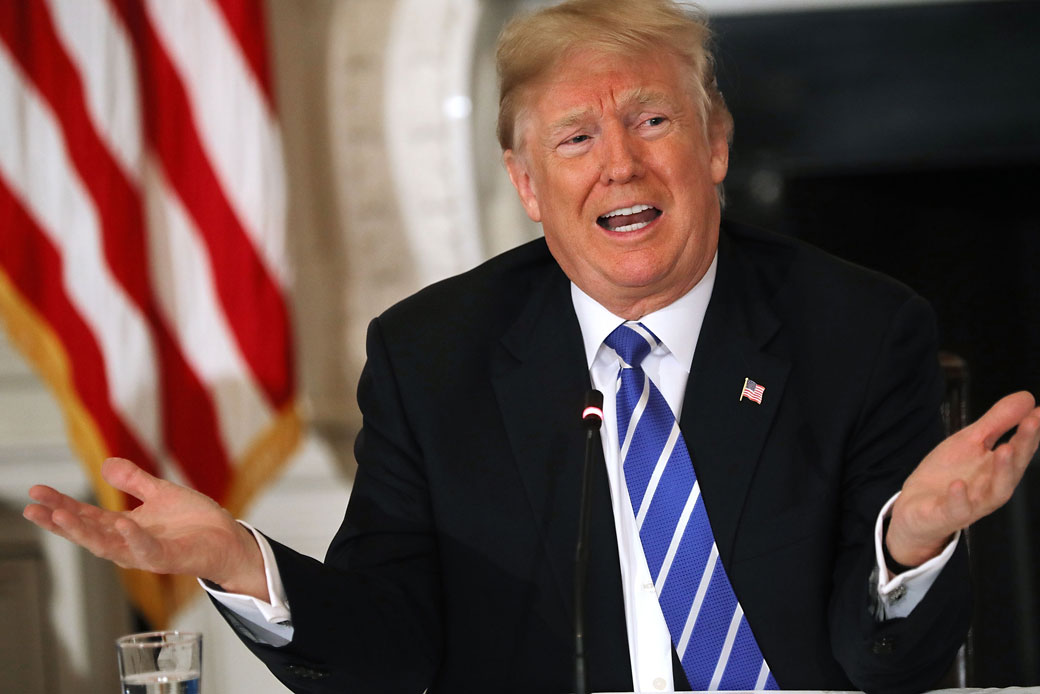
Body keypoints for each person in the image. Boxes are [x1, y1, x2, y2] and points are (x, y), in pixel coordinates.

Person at [23, 1, 1040, 692]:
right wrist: (240, 559)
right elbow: (389, 642)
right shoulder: (434, 357)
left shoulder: (856, 330)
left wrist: (907, 540)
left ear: (715, 143)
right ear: (524, 185)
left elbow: (886, 667)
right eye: (575, 139)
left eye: (651, 120)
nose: (620, 165)